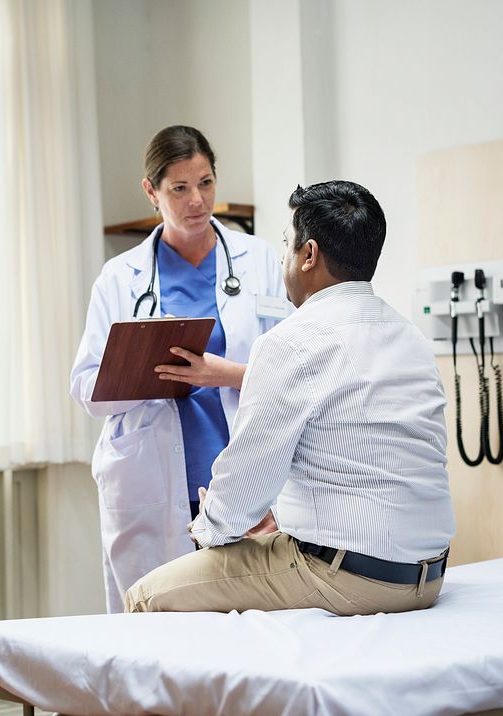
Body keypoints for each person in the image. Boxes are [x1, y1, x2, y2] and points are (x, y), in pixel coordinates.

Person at [125, 180, 456, 616]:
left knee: (144, 598)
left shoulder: (291, 342)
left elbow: (243, 483)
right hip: (426, 577)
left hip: (347, 578)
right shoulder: (411, 337)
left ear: (309, 255)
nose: (284, 257)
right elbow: (366, 459)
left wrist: (210, 526)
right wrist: (276, 517)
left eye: (287, 244)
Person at [70, 126, 287, 613]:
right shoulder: (119, 277)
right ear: (152, 191)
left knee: (247, 631)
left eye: (206, 183)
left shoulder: (259, 261)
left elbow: (292, 370)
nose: (197, 200)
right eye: (180, 188)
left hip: (237, 475)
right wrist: (142, 369)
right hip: (152, 479)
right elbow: (85, 385)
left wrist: (221, 374)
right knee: (156, 634)